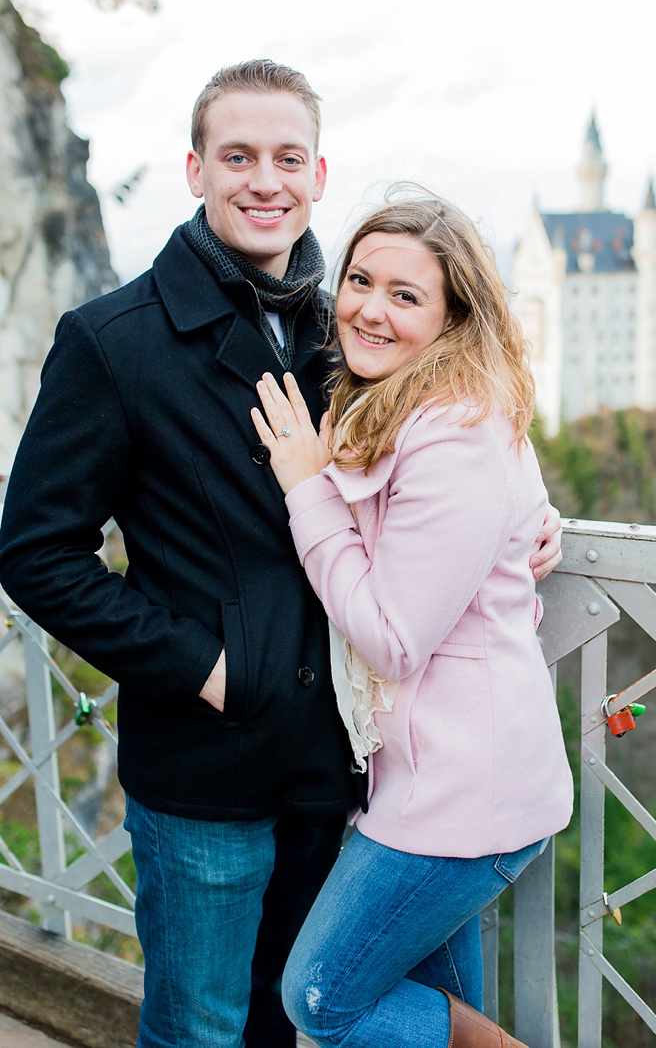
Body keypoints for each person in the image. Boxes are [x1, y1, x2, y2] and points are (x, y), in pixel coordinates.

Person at [0, 61, 562, 1048]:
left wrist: (532, 510)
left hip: (351, 769)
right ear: (195, 169)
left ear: (317, 174)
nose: (265, 180)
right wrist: (203, 670)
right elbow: (37, 553)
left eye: (287, 158)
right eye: (238, 156)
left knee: (304, 1019)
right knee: (203, 1027)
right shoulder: (112, 340)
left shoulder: (353, 316)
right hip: (207, 762)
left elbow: (467, 414)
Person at [248, 190, 573, 1048]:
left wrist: (305, 490)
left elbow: (392, 634)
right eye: (360, 281)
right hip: (435, 776)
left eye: (406, 295)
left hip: (464, 791)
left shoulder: (453, 429)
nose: (370, 309)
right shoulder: (402, 405)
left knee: (321, 998)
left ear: (452, 317)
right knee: (436, 1003)